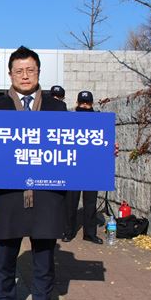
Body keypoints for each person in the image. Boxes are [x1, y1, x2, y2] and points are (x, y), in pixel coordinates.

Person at [0, 46, 66, 300]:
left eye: (31, 70)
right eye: (19, 71)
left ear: (39, 72)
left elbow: (73, 149)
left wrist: (101, 152)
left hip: (47, 196)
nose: (25, 76)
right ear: (10, 74)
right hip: (11, 197)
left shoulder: (57, 108)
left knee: (43, 259)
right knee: (5, 257)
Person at [63, 90, 102, 244]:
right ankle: (68, 231)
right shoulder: (70, 119)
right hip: (73, 167)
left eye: (87, 103)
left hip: (91, 168)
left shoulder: (99, 120)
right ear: (77, 103)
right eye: (82, 103)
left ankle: (90, 233)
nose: (85, 106)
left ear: (91, 104)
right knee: (70, 203)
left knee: (91, 203)